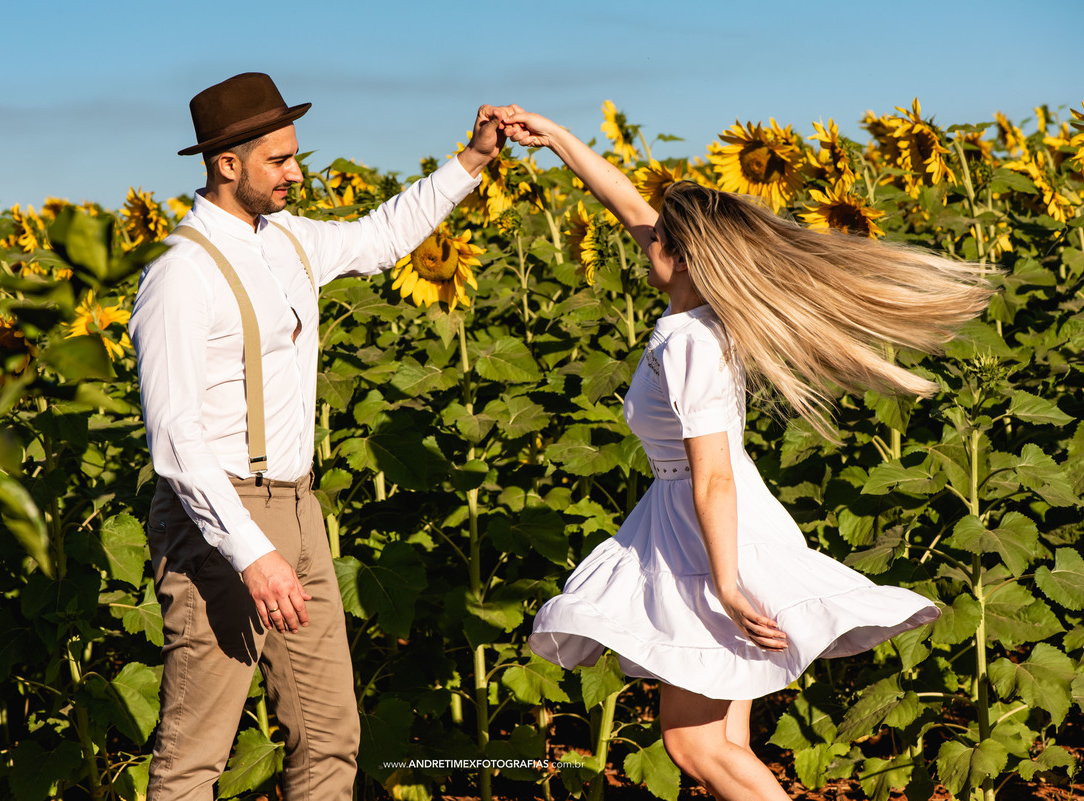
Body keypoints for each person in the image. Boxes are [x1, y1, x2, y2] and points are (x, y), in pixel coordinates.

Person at [499, 110, 992, 799]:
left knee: (692, 743)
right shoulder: (697, 313)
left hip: (703, 534)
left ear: (684, 256)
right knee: (726, 741)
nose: (644, 237)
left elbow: (715, 474)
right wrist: (556, 138)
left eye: (658, 237)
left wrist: (727, 584)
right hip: (707, 526)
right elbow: (630, 203)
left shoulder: (686, 342)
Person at [129, 72, 518, 801]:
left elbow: (381, 237)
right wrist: (252, 553)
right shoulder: (180, 274)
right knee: (195, 757)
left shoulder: (290, 240)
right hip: (219, 522)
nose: (297, 172)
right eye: (279, 160)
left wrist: (473, 158)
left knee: (330, 735)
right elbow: (176, 437)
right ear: (226, 164)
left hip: (301, 508)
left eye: (295, 154)